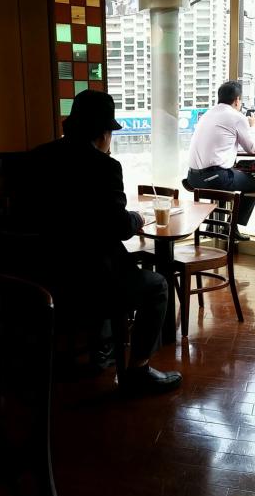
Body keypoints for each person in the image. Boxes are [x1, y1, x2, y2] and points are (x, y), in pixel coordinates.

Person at [26, 90, 182, 395]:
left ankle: (100, 349)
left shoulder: (37, 157)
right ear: (102, 134)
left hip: (45, 277)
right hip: (94, 281)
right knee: (157, 285)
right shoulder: (104, 167)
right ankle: (138, 370)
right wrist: (137, 218)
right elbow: (120, 227)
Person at [185, 80, 255, 241]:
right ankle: (231, 227)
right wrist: (251, 126)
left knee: (227, 177)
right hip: (213, 178)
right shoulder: (237, 117)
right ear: (237, 100)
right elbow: (252, 148)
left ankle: (213, 226)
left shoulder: (207, 115)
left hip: (192, 178)